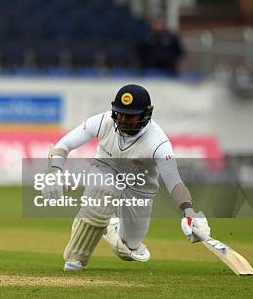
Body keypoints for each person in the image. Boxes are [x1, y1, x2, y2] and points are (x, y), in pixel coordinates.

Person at [43, 84, 210, 271]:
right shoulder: (104, 121)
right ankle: (75, 260)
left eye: (130, 115)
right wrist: (55, 171)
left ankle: (111, 226)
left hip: (140, 188)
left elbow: (174, 181)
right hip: (105, 169)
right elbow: (64, 144)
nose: (122, 119)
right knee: (100, 196)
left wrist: (189, 212)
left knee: (128, 248)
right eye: (120, 113)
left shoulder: (158, 142)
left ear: (146, 115)